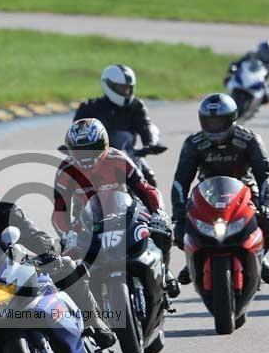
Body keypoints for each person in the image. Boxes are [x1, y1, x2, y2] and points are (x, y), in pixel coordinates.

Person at [0, 166, 116, 353]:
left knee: (67, 266)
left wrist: (48, 254)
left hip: (20, 269)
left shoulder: (5, 211)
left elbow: (35, 235)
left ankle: (95, 321)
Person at [52, 118, 178, 296]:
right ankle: (82, 309)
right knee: (64, 260)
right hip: (86, 222)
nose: (87, 156)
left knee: (162, 231)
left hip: (125, 212)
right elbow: (59, 210)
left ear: (104, 144)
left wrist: (158, 213)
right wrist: (67, 234)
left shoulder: (117, 158)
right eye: (80, 151)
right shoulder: (66, 170)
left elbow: (146, 189)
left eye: (92, 148)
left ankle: (165, 271)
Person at [171, 93, 269, 285]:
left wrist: (266, 205)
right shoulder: (194, 143)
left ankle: (260, 258)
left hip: (244, 190)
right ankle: (193, 262)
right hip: (207, 192)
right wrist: (178, 212)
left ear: (231, 119)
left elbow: (266, 175)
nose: (214, 127)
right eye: (209, 122)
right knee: (180, 231)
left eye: (219, 122)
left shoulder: (248, 139)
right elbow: (181, 180)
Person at [73, 65, 166, 187]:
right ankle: (67, 206)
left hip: (128, 156)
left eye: (128, 88)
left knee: (149, 178)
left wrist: (151, 143)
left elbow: (146, 125)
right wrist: (74, 147)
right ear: (109, 85)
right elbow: (76, 133)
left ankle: (154, 207)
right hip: (95, 160)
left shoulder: (136, 106)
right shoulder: (89, 107)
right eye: (121, 87)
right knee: (72, 181)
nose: (125, 91)